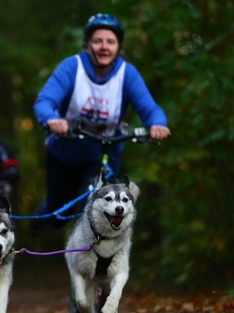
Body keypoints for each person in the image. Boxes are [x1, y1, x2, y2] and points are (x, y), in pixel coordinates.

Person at [32, 13, 170, 229]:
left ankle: (98, 258)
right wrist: (51, 119)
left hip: (104, 152)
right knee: (58, 215)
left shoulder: (127, 74)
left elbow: (150, 108)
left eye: (110, 42)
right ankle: (45, 213)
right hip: (65, 151)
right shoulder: (72, 67)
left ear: (118, 47)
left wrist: (157, 124)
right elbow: (45, 101)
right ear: (88, 45)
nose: (104, 47)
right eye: (98, 41)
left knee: (103, 210)